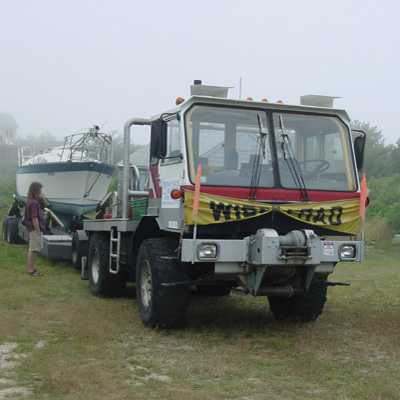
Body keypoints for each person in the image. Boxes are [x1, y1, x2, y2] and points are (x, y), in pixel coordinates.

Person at [24, 182, 45, 276]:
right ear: (36, 191)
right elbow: (34, 218)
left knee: (32, 249)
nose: (41, 192)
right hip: (34, 229)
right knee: (33, 250)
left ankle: (31, 268)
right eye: (40, 190)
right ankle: (31, 270)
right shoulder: (34, 203)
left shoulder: (30, 201)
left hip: (31, 229)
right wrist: (38, 231)